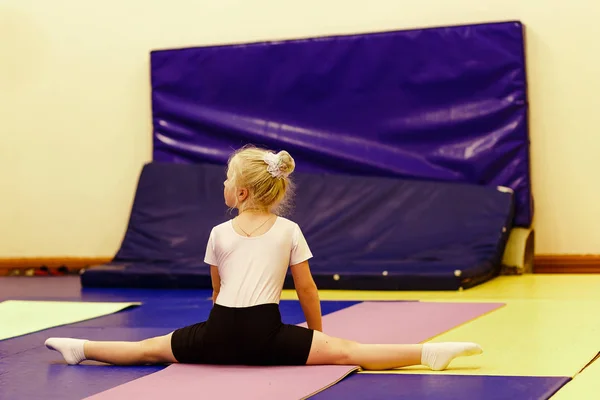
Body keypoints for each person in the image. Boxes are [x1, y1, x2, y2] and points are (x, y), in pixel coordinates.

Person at [45, 145, 482, 371]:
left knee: (147, 350)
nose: (223, 183)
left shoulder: (218, 232)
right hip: (267, 335)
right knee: (351, 351)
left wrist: (215, 328)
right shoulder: (289, 229)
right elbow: (307, 288)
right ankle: (427, 354)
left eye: (226, 178)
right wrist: (316, 336)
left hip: (218, 334)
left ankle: (80, 349)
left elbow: (217, 294)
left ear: (241, 193)